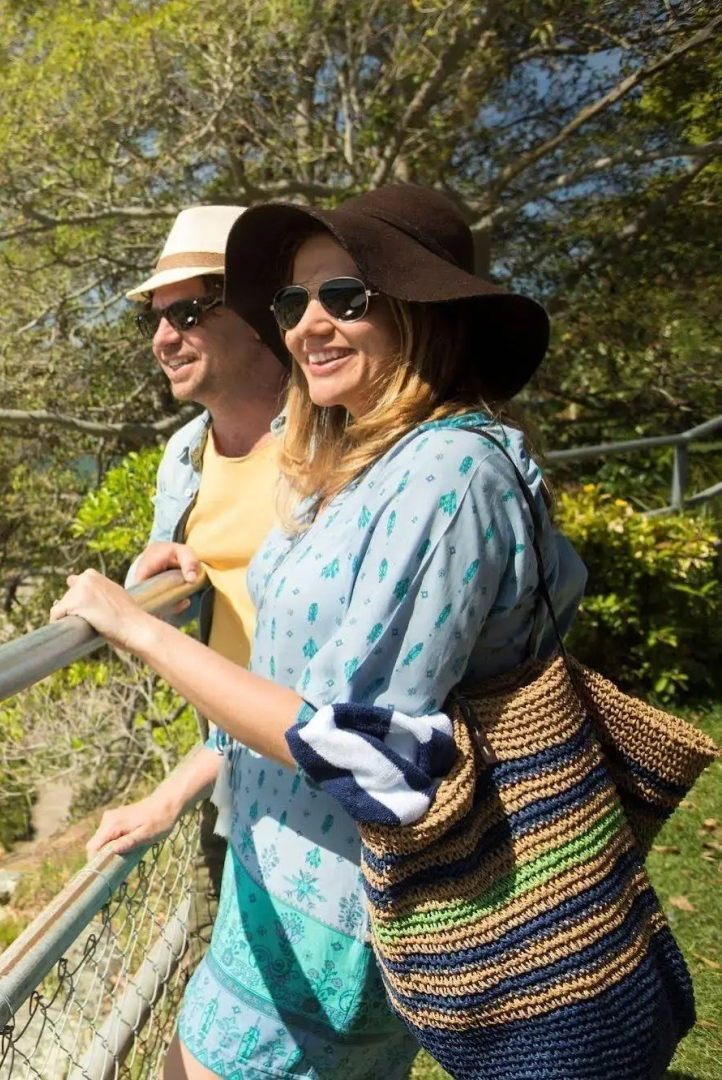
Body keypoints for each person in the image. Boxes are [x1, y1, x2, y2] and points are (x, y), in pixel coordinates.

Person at [54, 183, 587, 1079]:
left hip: (341, 911)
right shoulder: (359, 463)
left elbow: (366, 750)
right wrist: (175, 787)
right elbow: (299, 662)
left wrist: (137, 630)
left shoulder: (447, 473)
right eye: (294, 301)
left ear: (422, 310)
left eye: (345, 297)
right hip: (284, 877)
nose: (309, 324)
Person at [99, 205, 289, 896]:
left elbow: (325, 676)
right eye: (151, 318)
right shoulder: (183, 452)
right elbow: (173, 594)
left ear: (257, 312)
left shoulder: (332, 445)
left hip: (324, 786)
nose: (161, 339)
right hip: (233, 779)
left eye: (187, 314)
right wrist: (149, 577)